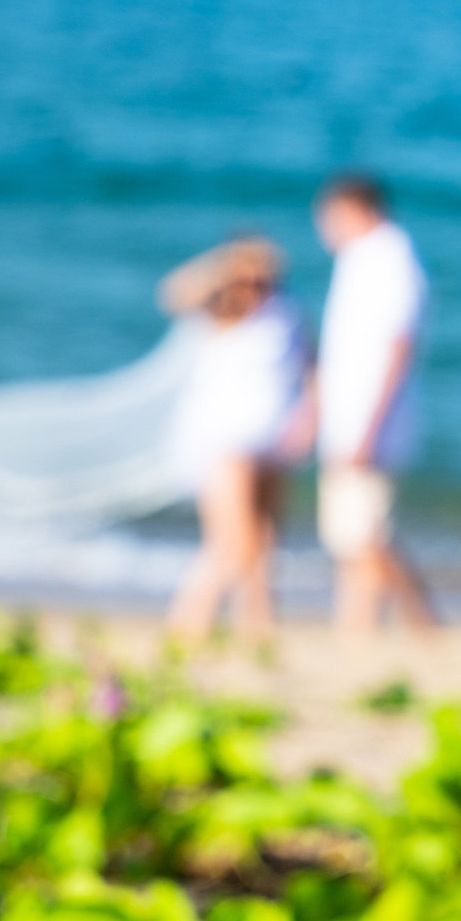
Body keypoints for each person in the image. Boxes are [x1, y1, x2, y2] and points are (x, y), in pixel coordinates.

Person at [159, 234, 309, 642]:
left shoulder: (286, 315)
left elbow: (313, 369)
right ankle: (198, 626)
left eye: (268, 279)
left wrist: (308, 419)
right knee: (231, 544)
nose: (260, 286)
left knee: (265, 542)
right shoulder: (219, 313)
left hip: (271, 443)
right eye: (253, 279)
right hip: (226, 442)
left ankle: (253, 627)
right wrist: (225, 264)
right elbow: (172, 292)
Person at [313, 171, 436, 635]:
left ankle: (424, 624)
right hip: (351, 420)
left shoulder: (390, 259)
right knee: (349, 538)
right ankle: (354, 631)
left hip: (371, 423)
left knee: (366, 535)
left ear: (353, 209)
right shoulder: (361, 258)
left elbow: (398, 345)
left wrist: (370, 427)